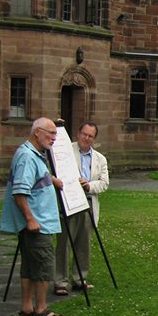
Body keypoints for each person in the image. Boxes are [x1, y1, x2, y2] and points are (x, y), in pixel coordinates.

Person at [0, 118, 67, 316]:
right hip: (38, 224)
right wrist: (30, 219)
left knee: (29, 266)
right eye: (51, 133)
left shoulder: (32, 154)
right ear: (37, 132)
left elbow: (35, 176)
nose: (54, 138)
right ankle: (42, 310)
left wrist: (51, 179)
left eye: (56, 134)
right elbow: (20, 192)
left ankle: (27, 308)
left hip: (38, 222)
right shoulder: (27, 157)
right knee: (43, 266)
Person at [54, 122, 109, 295]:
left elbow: (104, 183)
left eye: (90, 136)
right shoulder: (66, 151)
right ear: (78, 134)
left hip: (88, 203)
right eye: (84, 134)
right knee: (64, 244)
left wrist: (88, 185)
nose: (86, 138)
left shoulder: (100, 159)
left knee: (83, 244)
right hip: (68, 203)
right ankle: (60, 282)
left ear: (94, 139)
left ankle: (79, 279)